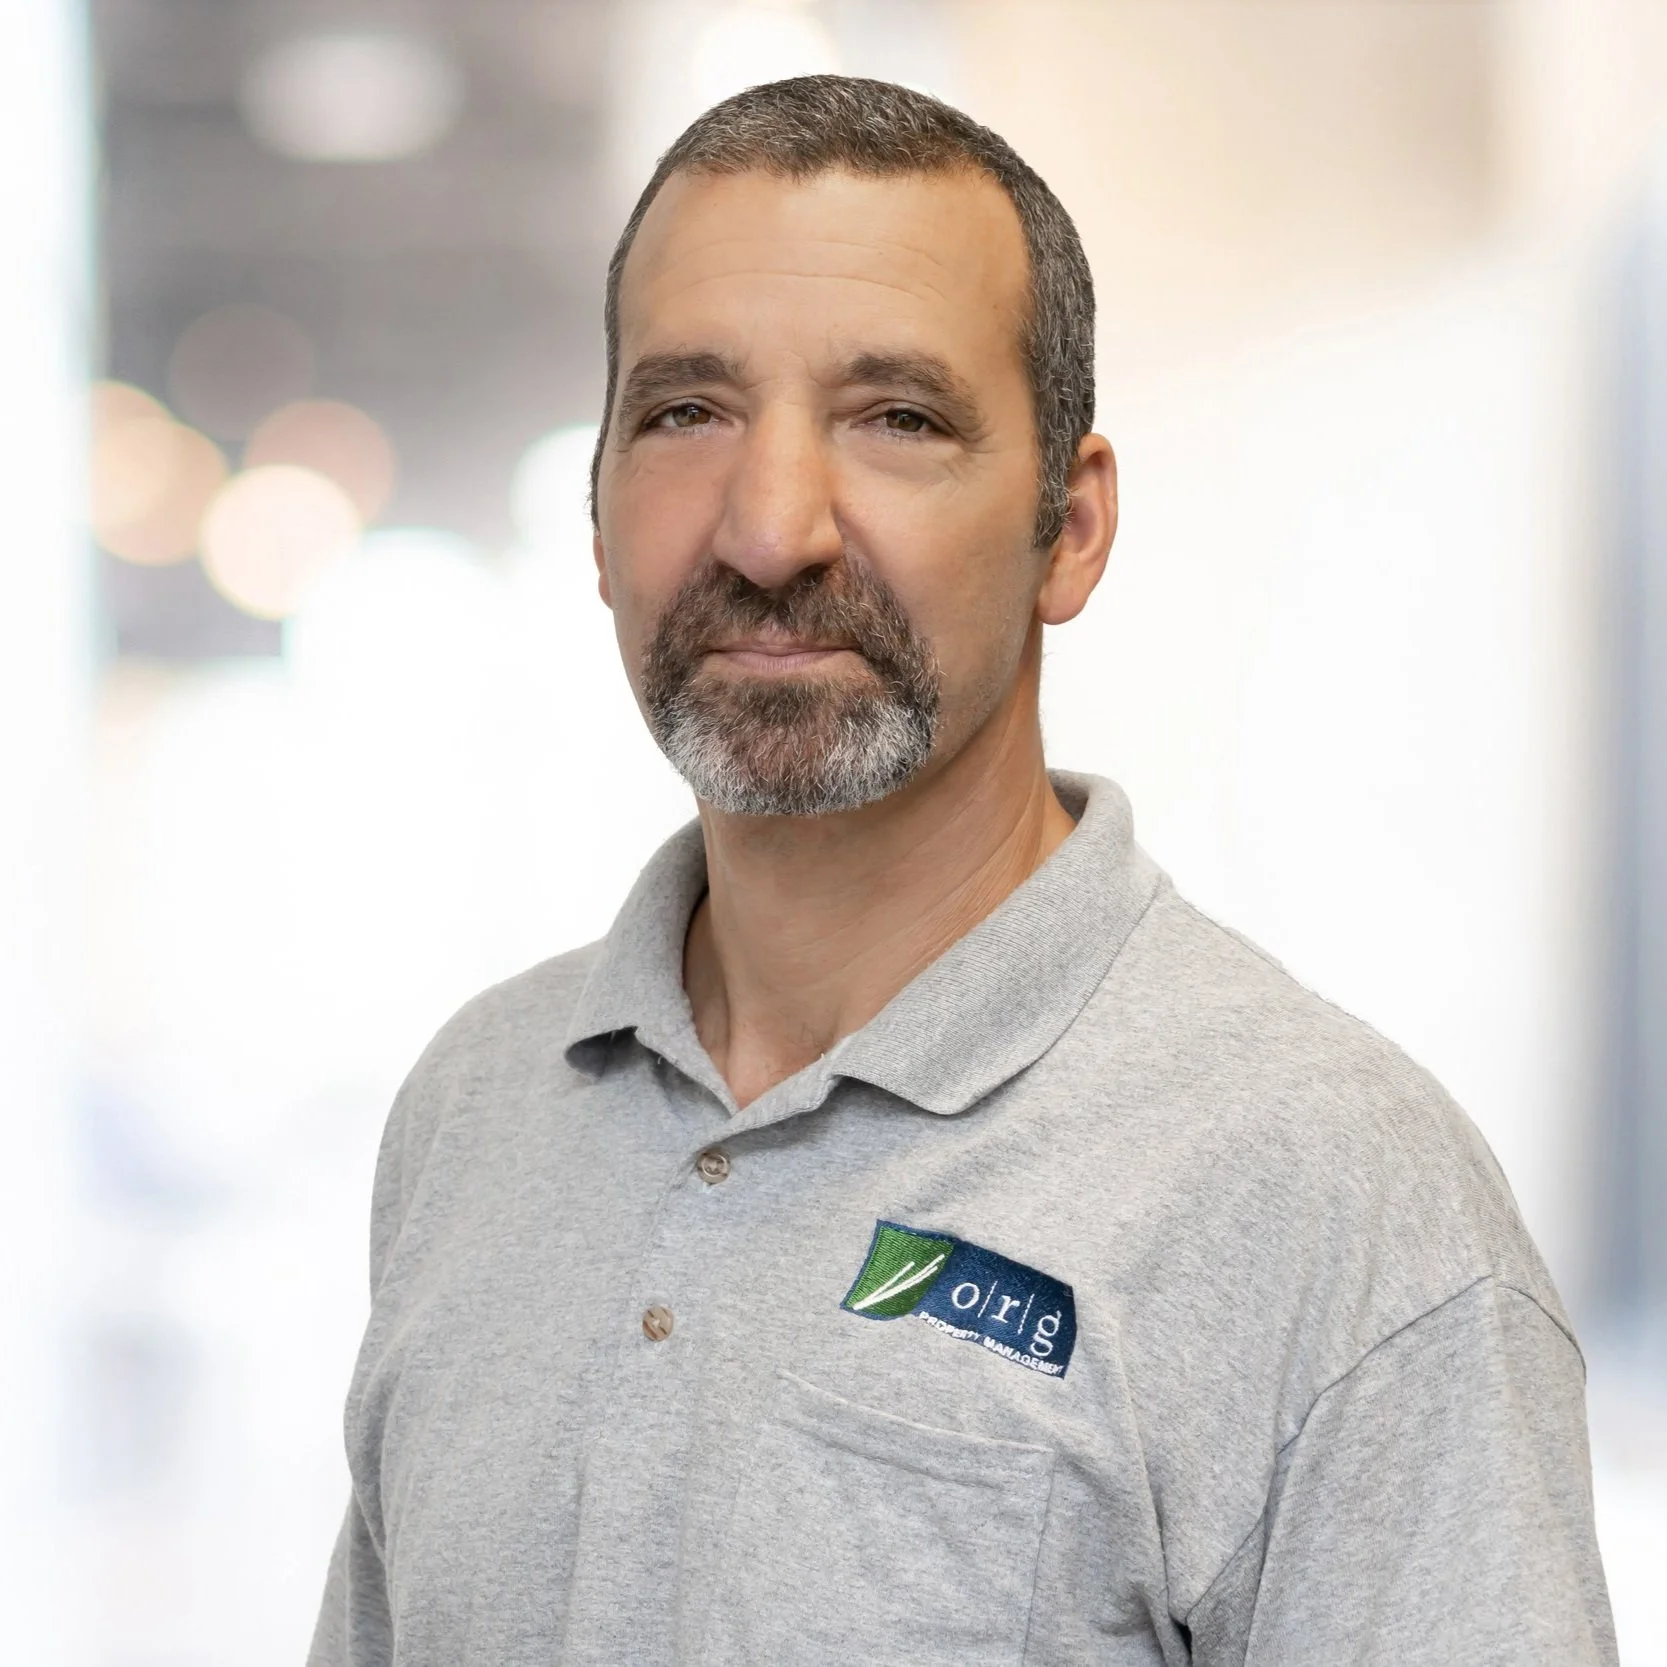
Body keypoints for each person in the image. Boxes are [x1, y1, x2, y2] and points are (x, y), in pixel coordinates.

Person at [309, 75, 1615, 1666]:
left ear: (1066, 527)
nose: (771, 527)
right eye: (685, 412)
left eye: (897, 419)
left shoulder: (1331, 1194)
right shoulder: (480, 1104)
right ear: (594, 509)